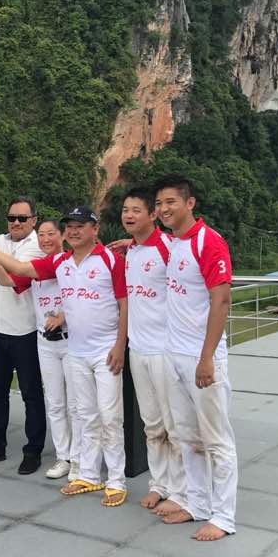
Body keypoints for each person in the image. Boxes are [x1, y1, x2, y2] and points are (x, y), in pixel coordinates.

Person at [0, 205, 129, 506]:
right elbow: (20, 271)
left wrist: (120, 344)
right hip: (76, 350)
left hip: (105, 350)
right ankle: (88, 474)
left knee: (109, 415)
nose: (74, 231)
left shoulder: (110, 260)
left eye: (81, 226)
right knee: (86, 414)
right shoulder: (60, 263)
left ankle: (117, 480)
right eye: (71, 226)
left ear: (95, 229)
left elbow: (124, 303)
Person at [153, 175, 237, 541]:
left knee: (216, 440)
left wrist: (207, 357)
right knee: (188, 437)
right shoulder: (174, 243)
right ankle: (198, 504)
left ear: (190, 203)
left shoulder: (209, 241)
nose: (163, 209)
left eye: (170, 202)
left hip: (201, 358)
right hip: (174, 355)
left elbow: (222, 300)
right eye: (159, 204)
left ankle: (224, 516)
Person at [0, 218, 80, 480]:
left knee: (75, 405)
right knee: (56, 403)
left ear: (62, 236)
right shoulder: (37, 267)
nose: (46, 239)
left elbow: (83, 296)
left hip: (71, 341)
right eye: (42, 235)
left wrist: (63, 315)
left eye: (51, 234)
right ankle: (63, 456)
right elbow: (7, 281)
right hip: (45, 342)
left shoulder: (70, 262)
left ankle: (80, 459)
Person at [121, 187, 186, 510]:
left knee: (174, 425)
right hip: (138, 349)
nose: (129, 215)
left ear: (152, 214)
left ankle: (181, 491)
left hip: (165, 350)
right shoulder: (131, 252)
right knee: (152, 424)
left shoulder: (168, 248)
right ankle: (159, 484)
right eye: (125, 210)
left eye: (136, 210)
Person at [0, 196, 47, 474]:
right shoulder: (1, 240)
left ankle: (33, 450)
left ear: (33, 220)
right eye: (11, 217)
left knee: (31, 394)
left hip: (25, 330)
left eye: (22, 218)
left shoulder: (37, 247)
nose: (16, 222)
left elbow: (9, 278)